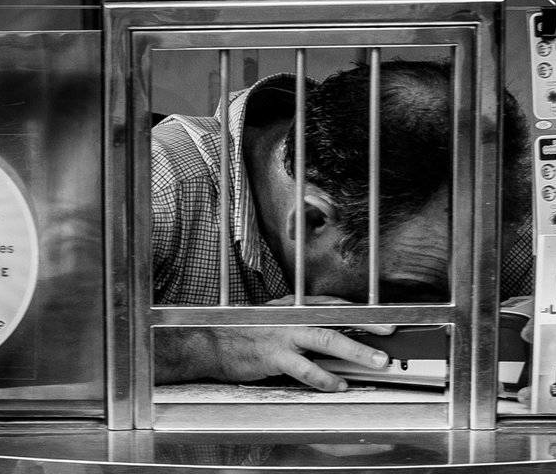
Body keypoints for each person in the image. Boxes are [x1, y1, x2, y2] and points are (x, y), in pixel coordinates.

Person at [151, 59, 533, 391]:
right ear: (312, 220)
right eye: (407, 295)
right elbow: (105, 348)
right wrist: (212, 342)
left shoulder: (499, 214)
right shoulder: (158, 184)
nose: (451, 314)